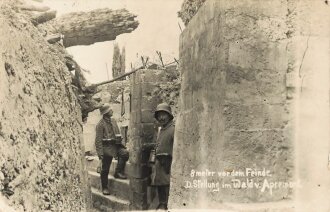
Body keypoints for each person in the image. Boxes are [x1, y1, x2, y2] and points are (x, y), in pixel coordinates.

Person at [143, 103, 175, 210]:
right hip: (159, 163)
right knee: (160, 183)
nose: (161, 118)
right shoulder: (162, 129)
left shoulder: (173, 129)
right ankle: (161, 202)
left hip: (167, 162)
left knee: (166, 183)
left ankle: (165, 203)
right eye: (159, 115)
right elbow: (159, 143)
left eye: (164, 115)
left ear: (169, 115)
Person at [95, 104, 129, 195]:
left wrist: (120, 142)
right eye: (110, 110)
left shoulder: (113, 121)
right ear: (106, 112)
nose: (112, 111)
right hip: (106, 148)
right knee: (105, 169)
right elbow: (98, 141)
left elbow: (117, 133)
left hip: (115, 145)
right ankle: (105, 187)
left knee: (125, 153)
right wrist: (100, 155)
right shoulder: (100, 125)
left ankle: (117, 172)